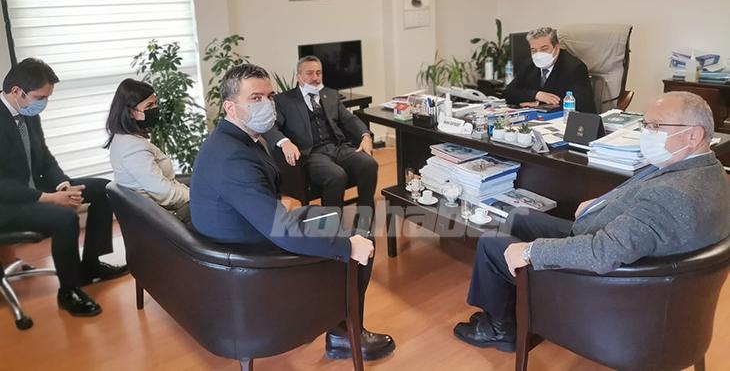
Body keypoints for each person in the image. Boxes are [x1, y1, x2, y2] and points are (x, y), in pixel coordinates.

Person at [454, 92, 730, 352]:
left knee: (492, 244)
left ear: (693, 135)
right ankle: (517, 310)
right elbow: (641, 208)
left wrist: (530, 252)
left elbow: (603, 253)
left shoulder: (672, 196)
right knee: (518, 218)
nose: (647, 133)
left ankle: (500, 329)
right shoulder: (709, 170)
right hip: (615, 245)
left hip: (603, 281)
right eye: (645, 124)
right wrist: (600, 203)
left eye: (656, 126)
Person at [190, 64, 395, 361]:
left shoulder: (233, 139)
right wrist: (347, 246)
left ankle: (340, 327)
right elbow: (282, 231)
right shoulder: (234, 157)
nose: (267, 104)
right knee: (359, 243)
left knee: (331, 220)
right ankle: (346, 335)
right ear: (230, 107)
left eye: (269, 96)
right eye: (255, 98)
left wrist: (277, 202)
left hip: (252, 232)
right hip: (254, 253)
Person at [0, 58, 128, 317]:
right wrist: (48, 198)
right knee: (64, 218)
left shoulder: (28, 113)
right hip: (8, 205)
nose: (44, 103)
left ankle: (91, 264)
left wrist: (63, 185)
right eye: (40, 97)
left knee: (105, 189)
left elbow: (44, 158)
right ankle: (69, 292)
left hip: (37, 190)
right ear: (16, 91)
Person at [263, 55, 377, 225]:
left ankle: (364, 222)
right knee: (336, 175)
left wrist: (365, 136)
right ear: (299, 76)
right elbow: (269, 127)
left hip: (338, 147)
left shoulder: (330, 95)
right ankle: (331, 228)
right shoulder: (284, 101)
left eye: (319, 73)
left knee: (369, 164)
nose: (316, 78)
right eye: (310, 73)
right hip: (311, 154)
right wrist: (284, 142)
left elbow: (350, 120)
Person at [105, 79, 190, 222]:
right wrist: (197, 196)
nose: (155, 109)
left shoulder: (123, 139)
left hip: (160, 211)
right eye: (149, 105)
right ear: (130, 112)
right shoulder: (133, 149)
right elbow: (165, 193)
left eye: (155, 103)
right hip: (166, 219)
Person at [504, 27, 595, 112]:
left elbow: (582, 105)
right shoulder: (530, 64)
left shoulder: (575, 68)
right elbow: (509, 93)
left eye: (544, 49)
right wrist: (536, 95)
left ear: (557, 48)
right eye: (534, 50)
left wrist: (538, 104)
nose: (538, 55)